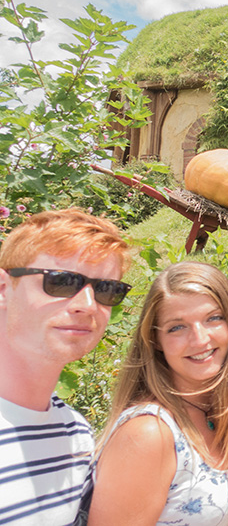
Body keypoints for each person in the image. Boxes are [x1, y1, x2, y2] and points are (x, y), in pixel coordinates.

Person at [88, 262, 228, 525]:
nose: (199, 339)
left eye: (214, 318)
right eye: (177, 327)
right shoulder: (149, 433)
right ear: (155, 340)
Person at [0, 208, 131, 524]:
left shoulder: (76, 436)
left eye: (106, 289)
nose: (87, 306)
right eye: (61, 282)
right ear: (3, 289)